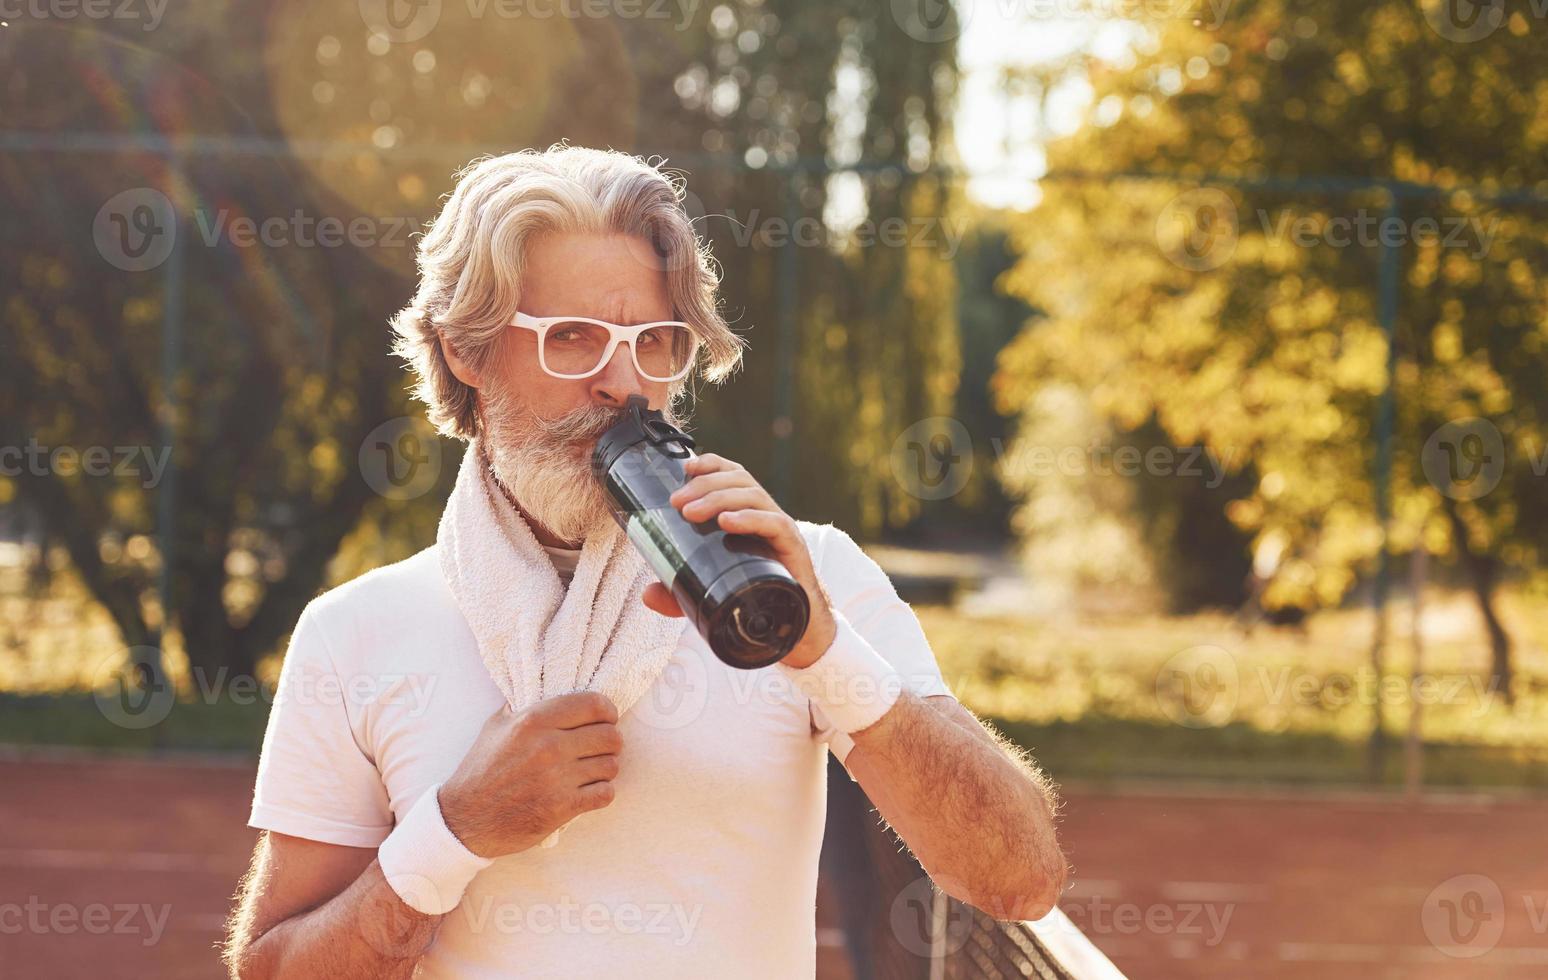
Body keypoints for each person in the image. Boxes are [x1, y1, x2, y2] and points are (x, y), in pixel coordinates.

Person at [221, 144, 1066, 979]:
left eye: (656, 341)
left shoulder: (807, 578)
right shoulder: (356, 632)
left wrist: (819, 644)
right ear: (464, 352)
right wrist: (451, 834)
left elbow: (1019, 880)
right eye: (573, 338)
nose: (622, 382)